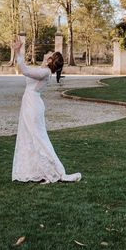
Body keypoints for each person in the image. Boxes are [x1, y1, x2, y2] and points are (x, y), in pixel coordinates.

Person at [11, 37, 82, 183]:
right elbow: (27, 70)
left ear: (50, 60)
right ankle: (35, 171)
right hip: (30, 102)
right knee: (29, 137)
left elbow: (24, 70)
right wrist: (18, 52)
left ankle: (53, 171)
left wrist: (18, 51)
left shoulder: (45, 72)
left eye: (50, 52)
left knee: (38, 138)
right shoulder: (43, 70)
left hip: (33, 105)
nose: (48, 51)